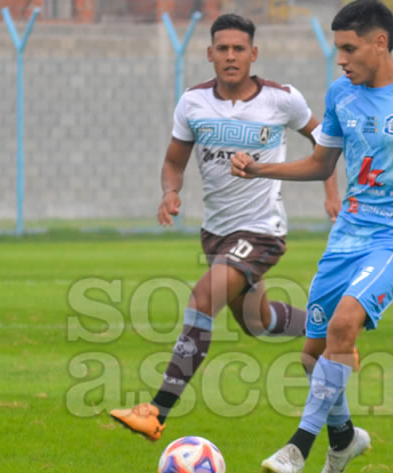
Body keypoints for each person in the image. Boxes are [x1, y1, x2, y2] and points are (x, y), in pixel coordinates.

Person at [231, 1, 393, 471]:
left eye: (349, 49)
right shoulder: (341, 94)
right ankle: (344, 439)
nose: (341, 60)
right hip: (348, 237)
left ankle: (298, 448)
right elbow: (321, 164)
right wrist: (260, 170)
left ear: (380, 42)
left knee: (344, 325)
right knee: (313, 356)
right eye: (338, 50)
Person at [109, 13, 341, 442]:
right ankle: (329, 328)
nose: (231, 56)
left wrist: (331, 192)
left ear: (253, 54)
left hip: (261, 231)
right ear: (210, 54)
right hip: (216, 233)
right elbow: (173, 162)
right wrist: (169, 192)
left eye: (239, 49)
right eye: (223, 49)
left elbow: (326, 142)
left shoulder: (282, 99)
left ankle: (156, 412)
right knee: (260, 322)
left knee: (202, 298)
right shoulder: (193, 103)